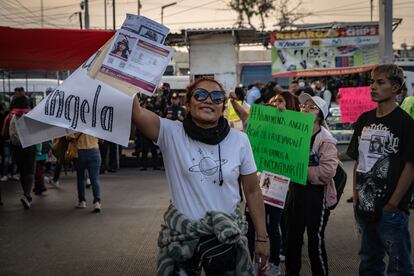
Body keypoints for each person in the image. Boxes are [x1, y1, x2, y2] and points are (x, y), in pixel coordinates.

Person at [131, 77, 269, 275]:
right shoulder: (171, 133)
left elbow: (253, 191)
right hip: (182, 238)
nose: (208, 100)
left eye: (217, 97)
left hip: (226, 236)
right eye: (200, 95)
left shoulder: (240, 140)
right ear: (188, 103)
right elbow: (136, 111)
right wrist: (123, 69)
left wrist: (262, 238)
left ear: (223, 106)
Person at [347, 64, 414, 275]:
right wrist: (355, 195)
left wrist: (393, 203)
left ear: (395, 88)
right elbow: (358, 161)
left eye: (380, 82)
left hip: (391, 211)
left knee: (399, 266)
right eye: (372, 82)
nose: (373, 87)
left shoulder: (406, 123)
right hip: (365, 208)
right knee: (368, 263)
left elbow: (411, 166)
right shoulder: (364, 120)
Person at [230, 91, 300, 275]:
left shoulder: (294, 127)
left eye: (281, 101)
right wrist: (234, 102)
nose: (277, 103)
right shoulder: (262, 121)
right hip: (258, 181)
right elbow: (246, 117)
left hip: (278, 184)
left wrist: (285, 116)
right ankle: (253, 262)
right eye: (275, 100)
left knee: (272, 225)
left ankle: (274, 264)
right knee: (251, 223)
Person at [285, 95, 338, 276]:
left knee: (315, 243)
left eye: (311, 107)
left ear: (320, 115)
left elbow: (327, 172)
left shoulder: (326, 140)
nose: (305, 108)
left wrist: (298, 171)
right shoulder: (294, 132)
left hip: (316, 196)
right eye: (303, 105)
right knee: (291, 240)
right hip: (294, 193)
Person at [1, 95, 36, 209]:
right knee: (30, 171)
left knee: (22, 171)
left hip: (16, 147)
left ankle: (26, 195)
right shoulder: (32, 114)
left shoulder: (10, 115)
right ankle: (27, 195)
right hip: (30, 146)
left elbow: (4, 134)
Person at [69, 133, 102, 212]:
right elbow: (102, 139)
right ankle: (97, 202)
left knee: (81, 178)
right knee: (95, 179)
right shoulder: (95, 124)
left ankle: (82, 201)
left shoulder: (76, 123)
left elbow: (69, 137)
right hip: (94, 151)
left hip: (80, 152)